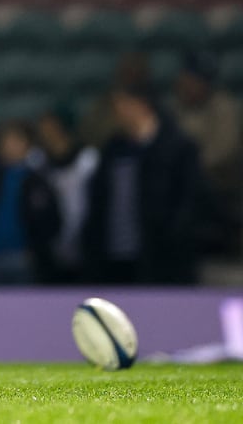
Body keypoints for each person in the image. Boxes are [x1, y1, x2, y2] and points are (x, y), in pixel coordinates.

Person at [83, 82, 201, 285]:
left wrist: (173, 238)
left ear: (141, 105)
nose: (117, 113)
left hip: (161, 259)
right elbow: (98, 201)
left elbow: (189, 201)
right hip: (115, 259)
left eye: (122, 105)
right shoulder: (114, 149)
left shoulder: (177, 147)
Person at [172, 50, 242, 259]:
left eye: (196, 80)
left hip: (219, 189)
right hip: (183, 190)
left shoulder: (224, 107)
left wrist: (188, 168)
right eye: (187, 79)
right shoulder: (175, 108)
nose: (190, 85)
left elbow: (224, 151)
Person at [0, 121, 60, 284]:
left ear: (27, 144)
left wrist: (37, 251)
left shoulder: (38, 181)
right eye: (5, 140)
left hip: (24, 258)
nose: (10, 145)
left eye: (16, 140)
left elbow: (51, 220)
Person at [35, 105, 99, 283]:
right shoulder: (37, 162)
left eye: (50, 125)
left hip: (85, 244)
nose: (45, 131)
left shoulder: (88, 160)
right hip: (49, 248)